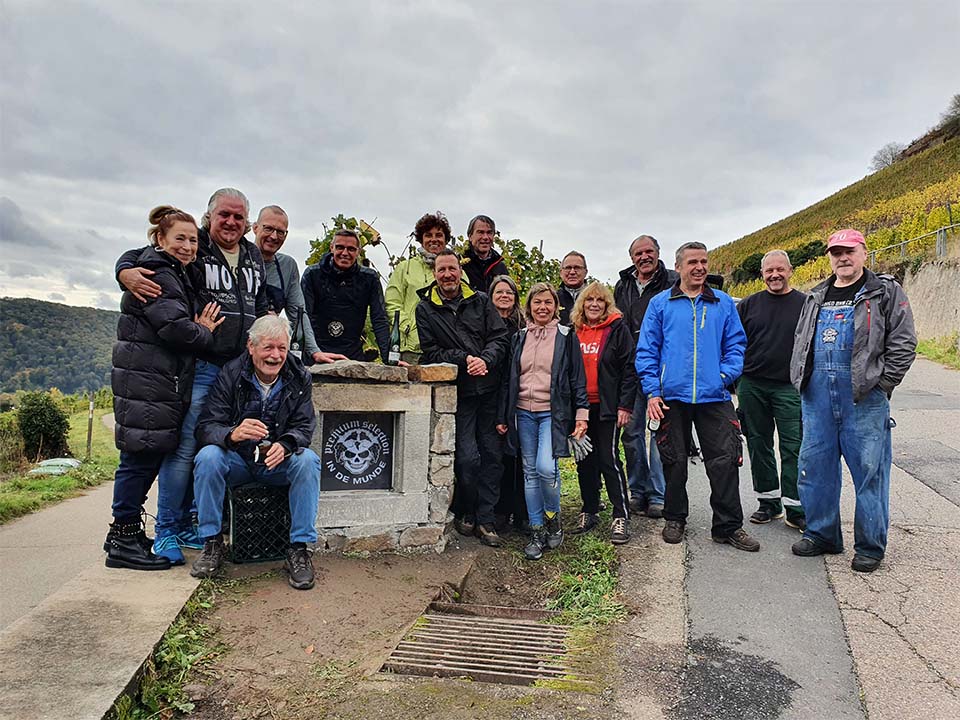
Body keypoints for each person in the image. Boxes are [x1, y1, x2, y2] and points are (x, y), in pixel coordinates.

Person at [116, 188, 269, 564]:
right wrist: (123, 270)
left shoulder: (252, 255)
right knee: (184, 449)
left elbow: (260, 297)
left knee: (215, 448)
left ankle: (189, 523)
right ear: (209, 217)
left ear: (247, 222)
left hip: (239, 371)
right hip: (202, 366)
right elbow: (145, 254)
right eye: (224, 215)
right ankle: (166, 528)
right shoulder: (194, 245)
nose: (231, 222)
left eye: (238, 217)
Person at [790, 229, 916, 573]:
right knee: (815, 469)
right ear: (829, 257)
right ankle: (822, 534)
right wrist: (799, 378)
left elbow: (904, 342)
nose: (842, 258)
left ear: (863, 252)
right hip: (816, 396)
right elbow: (802, 341)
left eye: (849, 251)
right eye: (836, 252)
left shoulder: (883, 291)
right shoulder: (816, 295)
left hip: (863, 398)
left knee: (870, 472)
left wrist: (883, 384)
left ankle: (870, 546)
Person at [105, 206, 223, 570]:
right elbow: (175, 329)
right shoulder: (157, 272)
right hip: (148, 383)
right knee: (138, 461)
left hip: (152, 382)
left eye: (192, 240)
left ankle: (126, 534)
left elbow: (132, 257)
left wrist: (122, 268)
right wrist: (203, 330)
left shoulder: (171, 269)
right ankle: (122, 540)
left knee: (145, 457)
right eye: (180, 239)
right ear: (160, 238)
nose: (188, 246)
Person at [637, 241, 759, 552]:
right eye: (692, 262)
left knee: (725, 460)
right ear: (678, 267)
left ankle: (728, 526)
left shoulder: (722, 302)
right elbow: (647, 350)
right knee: (673, 460)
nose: (700, 267)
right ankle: (675, 517)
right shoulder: (661, 304)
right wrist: (653, 390)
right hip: (671, 396)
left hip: (713, 396)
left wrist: (723, 375)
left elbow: (736, 345)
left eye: (704, 261)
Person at [190, 315, 321, 589]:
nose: (275, 356)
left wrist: (286, 445)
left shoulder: (299, 376)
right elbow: (205, 428)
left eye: (282, 348)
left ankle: (298, 549)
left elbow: (305, 426)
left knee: (307, 461)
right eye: (268, 348)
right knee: (208, 457)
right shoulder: (231, 373)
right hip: (239, 462)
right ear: (251, 346)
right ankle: (212, 543)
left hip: (277, 465)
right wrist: (232, 434)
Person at [416, 249, 509, 546]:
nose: (447, 275)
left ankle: (485, 519)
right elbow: (430, 352)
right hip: (462, 394)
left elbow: (500, 337)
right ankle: (466, 509)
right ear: (435, 274)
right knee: (467, 459)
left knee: (493, 457)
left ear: (460, 271)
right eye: (441, 270)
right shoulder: (425, 309)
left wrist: (486, 360)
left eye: (452, 269)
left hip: (491, 391)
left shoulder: (480, 300)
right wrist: (463, 358)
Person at [497, 283, 589, 560]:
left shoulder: (565, 336)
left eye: (548, 302)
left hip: (552, 413)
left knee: (546, 468)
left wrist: (581, 414)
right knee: (529, 472)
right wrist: (503, 415)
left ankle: (553, 518)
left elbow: (577, 379)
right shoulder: (519, 337)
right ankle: (537, 530)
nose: (542, 307)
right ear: (529, 306)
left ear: (556, 307)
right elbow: (509, 379)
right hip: (523, 412)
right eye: (537, 302)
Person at [736, 250, 806, 531]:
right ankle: (768, 503)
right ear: (762, 274)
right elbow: (732, 342)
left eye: (780, 269)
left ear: (790, 270)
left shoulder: (805, 304)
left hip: (790, 387)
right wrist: (736, 380)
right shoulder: (749, 305)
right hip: (752, 385)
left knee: (794, 447)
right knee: (758, 442)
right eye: (769, 271)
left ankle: (795, 507)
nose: (774, 275)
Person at [614, 234, 677, 518]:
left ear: (658, 253)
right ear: (632, 258)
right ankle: (637, 490)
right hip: (630, 368)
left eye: (649, 251)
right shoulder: (623, 285)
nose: (644, 257)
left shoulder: (672, 281)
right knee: (633, 433)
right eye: (638, 253)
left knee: (660, 434)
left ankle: (659, 494)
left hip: (662, 368)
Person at [570, 282, 636, 544]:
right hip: (581, 408)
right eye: (589, 300)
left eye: (600, 300)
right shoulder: (574, 331)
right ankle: (589, 508)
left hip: (608, 406)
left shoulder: (617, 329)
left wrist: (625, 405)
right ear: (582, 305)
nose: (594, 304)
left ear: (607, 305)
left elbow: (630, 368)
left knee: (608, 459)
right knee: (584, 459)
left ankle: (621, 514)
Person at [253, 205, 343, 364]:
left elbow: (298, 313)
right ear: (255, 228)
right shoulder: (240, 258)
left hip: (270, 354)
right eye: (268, 229)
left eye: (280, 232)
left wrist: (314, 351)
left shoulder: (287, 266)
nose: (274, 236)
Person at [301, 228, 391, 362]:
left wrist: (388, 357)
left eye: (351, 249)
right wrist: (312, 351)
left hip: (352, 355)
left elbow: (379, 319)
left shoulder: (369, 278)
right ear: (331, 248)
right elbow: (303, 316)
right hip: (317, 353)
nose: (345, 253)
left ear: (358, 252)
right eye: (340, 247)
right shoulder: (312, 275)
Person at [385, 211, 452, 364]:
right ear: (421, 239)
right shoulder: (404, 268)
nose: (434, 239)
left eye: (439, 235)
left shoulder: (456, 270)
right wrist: (407, 327)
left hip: (445, 349)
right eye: (428, 235)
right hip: (411, 349)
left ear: (445, 239)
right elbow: (392, 302)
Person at [489, 275, 528, 532]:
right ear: (491, 297)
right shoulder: (484, 324)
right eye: (499, 292)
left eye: (509, 292)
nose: (505, 296)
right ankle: (501, 510)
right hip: (491, 394)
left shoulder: (523, 328)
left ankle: (522, 512)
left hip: (518, 394)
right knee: (497, 455)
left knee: (521, 457)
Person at [461, 214, 509, 292]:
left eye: (489, 233)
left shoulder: (500, 267)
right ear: (470, 236)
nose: (485, 237)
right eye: (480, 232)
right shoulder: (461, 264)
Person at [558, 251, 589, 325]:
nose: (572, 272)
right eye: (568, 268)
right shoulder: (553, 298)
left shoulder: (596, 298)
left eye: (577, 268)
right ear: (561, 272)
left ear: (585, 272)